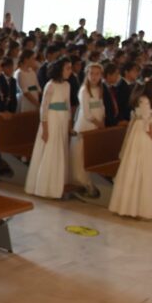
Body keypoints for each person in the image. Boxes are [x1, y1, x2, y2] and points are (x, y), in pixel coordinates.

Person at [109, 78, 152, 220]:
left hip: (143, 135)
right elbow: (147, 125)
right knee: (142, 167)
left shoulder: (145, 99)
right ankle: (137, 207)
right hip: (145, 138)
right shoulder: (144, 100)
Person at [24, 59, 72, 199]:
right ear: (59, 70)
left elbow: (68, 105)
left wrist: (69, 124)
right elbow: (44, 108)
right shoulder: (50, 85)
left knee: (60, 149)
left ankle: (58, 184)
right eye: (67, 68)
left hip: (62, 119)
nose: (70, 71)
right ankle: (45, 187)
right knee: (51, 149)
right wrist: (45, 129)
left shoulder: (67, 85)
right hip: (51, 119)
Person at [69, 63, 105, 196]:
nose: (94, 77)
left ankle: (92, 182)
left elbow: (101, 107)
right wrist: (97, 122)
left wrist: (102, 120)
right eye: (91, 74)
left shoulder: (100, 89)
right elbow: (87, 112)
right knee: (81, 154)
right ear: (87, 74)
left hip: (96, 125)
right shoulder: (84, 90)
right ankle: (82, 182)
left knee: (91, 154)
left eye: (97, 74)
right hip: (85, 125)